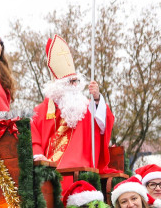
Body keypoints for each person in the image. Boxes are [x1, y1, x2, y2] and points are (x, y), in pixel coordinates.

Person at [32, 35, 114, 180]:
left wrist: (97, 99)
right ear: (59, 86)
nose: (75, 85)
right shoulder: (40, 112)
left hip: (83, 168)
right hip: (52, 171)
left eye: (76, 81)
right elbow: (34, 140)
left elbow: (103, 123)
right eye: (70, 82)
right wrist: (39, 158)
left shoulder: (85, 107)